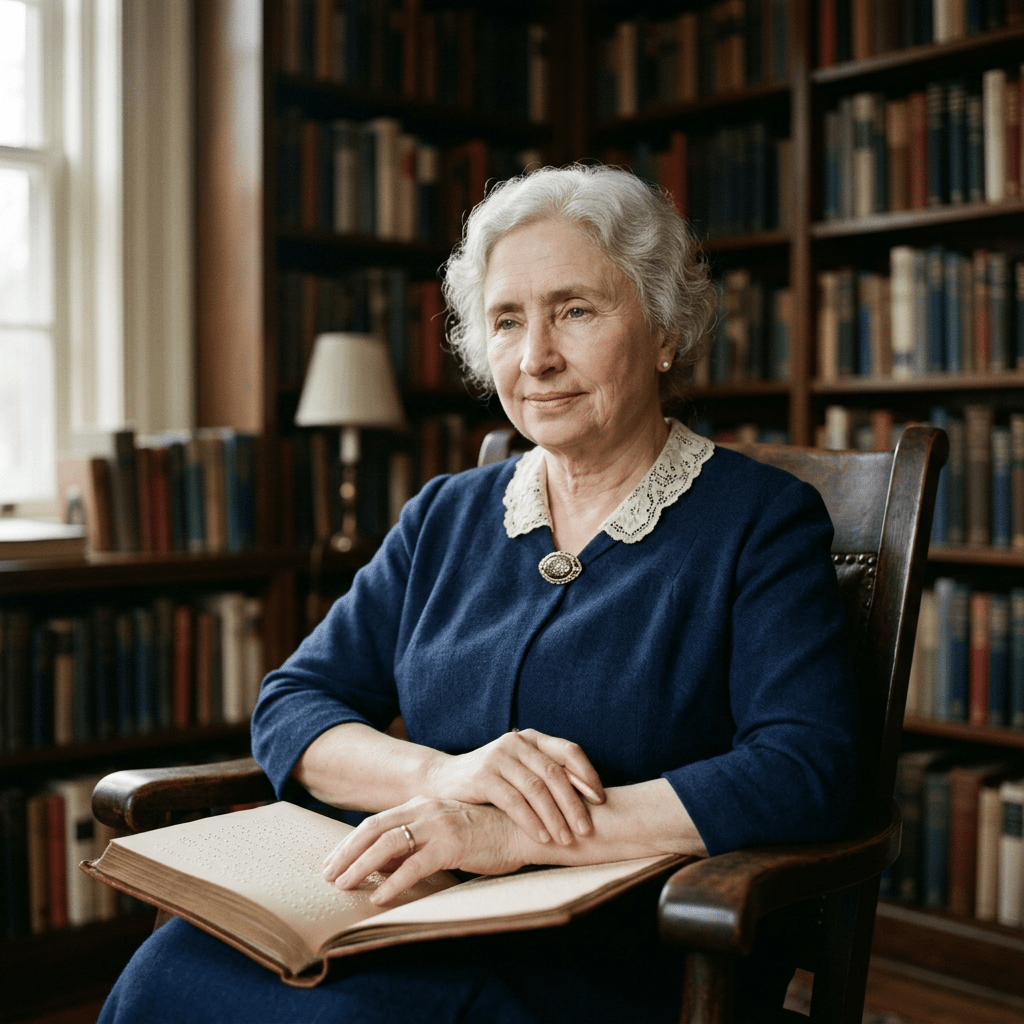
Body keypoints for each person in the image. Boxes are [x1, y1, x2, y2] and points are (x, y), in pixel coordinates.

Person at [98, 165, 860, 1024]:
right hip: (417, 908)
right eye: (507, 320)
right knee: (174, 968)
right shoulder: (445, 514)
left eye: (575, 310)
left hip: (627, 942)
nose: (536, 357)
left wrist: (515, 833)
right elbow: (293, 705)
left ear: (664, 332)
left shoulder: (758, 520)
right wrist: (444, 777)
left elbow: (806, 768)